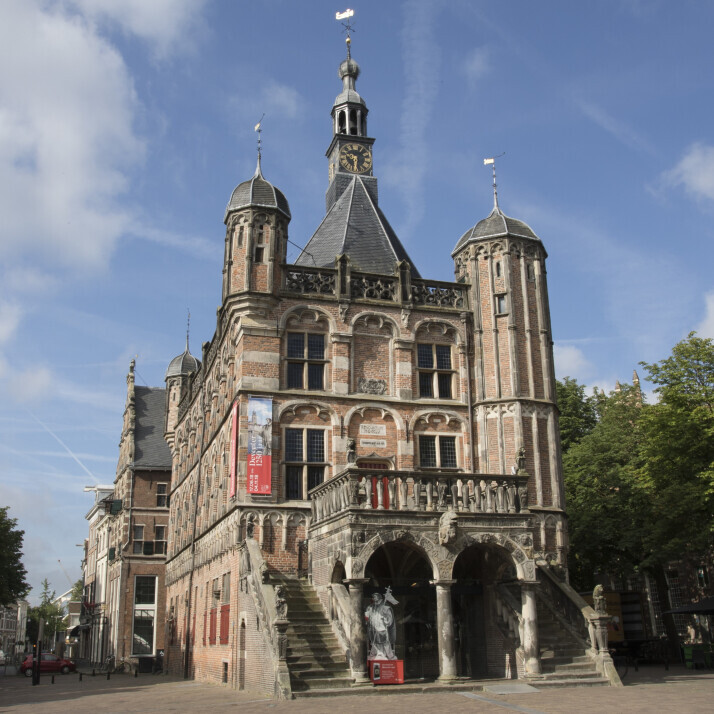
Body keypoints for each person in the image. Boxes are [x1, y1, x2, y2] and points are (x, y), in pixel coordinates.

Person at [365, 588, 398, 660]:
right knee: (374, 642)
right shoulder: (370, 607)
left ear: (379, 597)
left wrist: (386, 620)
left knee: (385, 642)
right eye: (373, 597)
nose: (373, 598)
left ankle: (389, 655)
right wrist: (367, 619)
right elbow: (367, 617)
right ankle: (375, 654)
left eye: (375, 596)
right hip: (373, 627)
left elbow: (389, 618)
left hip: (382, 627)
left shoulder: (385, 607)